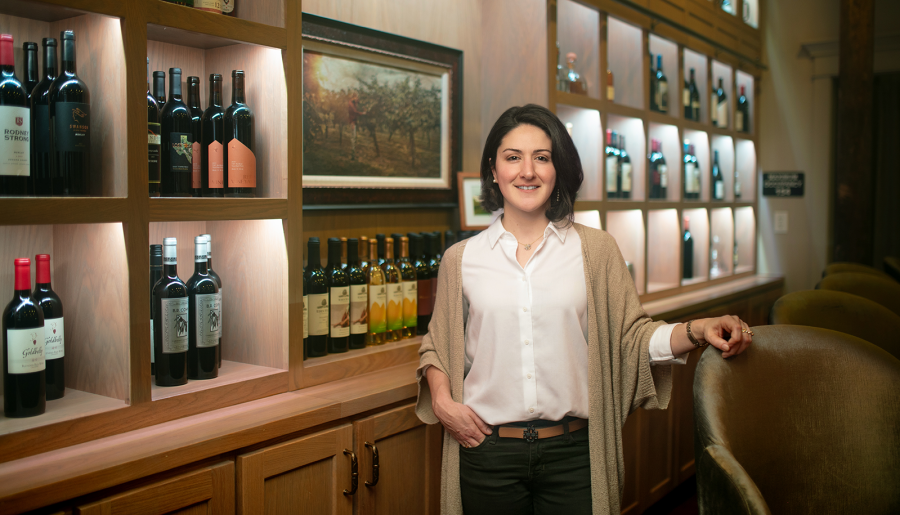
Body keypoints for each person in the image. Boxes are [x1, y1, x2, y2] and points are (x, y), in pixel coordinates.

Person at [415, 104, 753, 515]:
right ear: (493, 169)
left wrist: (698, 329)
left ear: (558, 169)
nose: (527, 171)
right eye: (512, 157)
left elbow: (634, 338)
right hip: (487, 454)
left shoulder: (596, 251)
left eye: (542, 157)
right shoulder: (461, 259)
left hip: (576, 456)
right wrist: (443, 402)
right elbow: (437, 345)